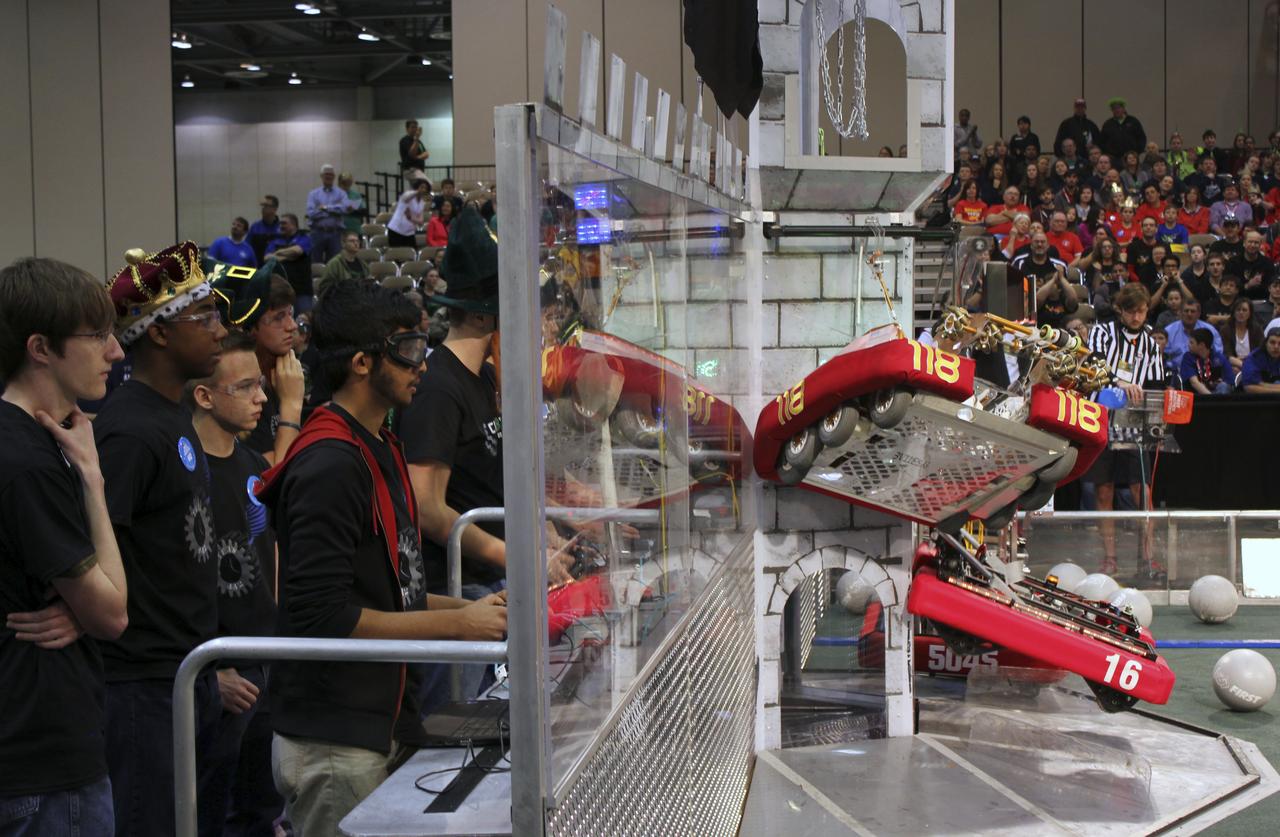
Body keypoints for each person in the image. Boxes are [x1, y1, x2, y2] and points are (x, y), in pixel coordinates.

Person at [258, 280, 507, 837]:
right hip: (335, 739)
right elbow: (322, 616)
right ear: (363, 362)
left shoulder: (379, 443)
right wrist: (456, 623)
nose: (423, 363)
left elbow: (391, 587)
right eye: (409, 349)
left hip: (377, 724)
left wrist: (475, 608)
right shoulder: (329, 463)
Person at [398, 208, 574, 705]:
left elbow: (498, 480)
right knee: (458, 725)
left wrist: (543, 537)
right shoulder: (437, 387)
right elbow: (427, 507)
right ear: (480, 313)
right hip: (461, 590)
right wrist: (514, 556)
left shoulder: (483, 380)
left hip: (493, 580)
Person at [93, 242, 229, 836]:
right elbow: (99, 547)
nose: (221, 330)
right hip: (140, 683)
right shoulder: (126, 430)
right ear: (161, 334)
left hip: (186, 673)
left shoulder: (172, 416)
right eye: (205, 319)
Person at [0, 257, 128, 836]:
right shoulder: (27, 459)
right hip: (43, 759)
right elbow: (112, 613)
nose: (115, 352)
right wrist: (94, 479)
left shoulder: (34, 443)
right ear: (40, 348)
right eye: (97, 336)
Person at [185, 330, 283, 837]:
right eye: (245, 387)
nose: (262, 398)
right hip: (215, 672)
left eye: (261, 386)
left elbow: (270, 555)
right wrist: (205, 676)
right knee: (211, 810)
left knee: (259, 809)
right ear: (204, 396)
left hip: (262, 659)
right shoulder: (183, 468)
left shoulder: (251, 466)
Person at [1085, 283, 1164, 579]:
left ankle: (1147, 558)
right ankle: (1110, 558)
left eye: (1142, 311)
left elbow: (1155, 383)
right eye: (1131, 311)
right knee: (1103, 489)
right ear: (1120, 310)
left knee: (1141, 491)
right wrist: (1120, 383)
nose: (1137, 316)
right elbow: (1093, 367)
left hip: (1134, 423)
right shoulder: (1102, 332)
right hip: (1103, 417)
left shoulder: (1150, 343)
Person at [209, 265, 305, 467]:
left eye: (290, 313)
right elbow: (274, 479)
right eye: (279, 317)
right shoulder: (242, 391)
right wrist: (291, 406)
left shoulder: (283, 373)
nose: (292, 325)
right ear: (249, 327)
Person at [1011, 232, 1075, 327]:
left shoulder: (1059, 265)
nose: (1039, 244)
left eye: (1042, 242)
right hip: (1028, 312)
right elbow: (1033, 302)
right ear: (1031, 245)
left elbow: (1072, 299)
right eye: (1036, 242)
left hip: (1058, 315)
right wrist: (1053, 280)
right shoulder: (1020, 262)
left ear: (1048, 245)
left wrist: (1060, 278)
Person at [264, 213, 314, 312]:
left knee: (304, 320)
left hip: (302, 291)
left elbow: (297, 251)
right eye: (280, 223)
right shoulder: (276, 240)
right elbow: (267, 258)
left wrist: (277, 253)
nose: (281, 226)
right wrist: (290, 256)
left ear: (294, 225)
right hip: (281, 291)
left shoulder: (304, 238)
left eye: (284, 223)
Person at [306, 164, 353, 265]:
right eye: (326, 174)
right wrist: (335, 210)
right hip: (317, 233)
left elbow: (346, 209)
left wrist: (325, 208)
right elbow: (311, 213)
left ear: (334, 177)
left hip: (335, 234)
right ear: (321, 176)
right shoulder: (313, 194)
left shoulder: (341, 193)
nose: (329, 176)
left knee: (335, 265)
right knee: (315, 264)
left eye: (331, 174)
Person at [1164, 298, 1222, 367]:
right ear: (1180, 313)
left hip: (1204, 370)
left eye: (1193, 311)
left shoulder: (1210, 330)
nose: (1189, 314)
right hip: (1176, 372)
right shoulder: (1169, 331)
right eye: (1186, 311)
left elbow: (1218, 354)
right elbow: (1164, 356)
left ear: (1199, 314)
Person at [1180, 327, 1233, 394]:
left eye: (1191, 342)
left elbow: (1229, 382)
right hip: (1198, 397)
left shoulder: (1219, 358)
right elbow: (1194, 383)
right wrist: (1210, 399)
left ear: (1201, 345)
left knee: (1223, 386)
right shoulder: (1188, 358)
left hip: (1219, 395)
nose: (1188, 345)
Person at [318, 229, 370, 294]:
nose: (356, 243)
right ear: (343, 244)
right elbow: (325, 287)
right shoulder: (334, 263)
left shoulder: (363, 264)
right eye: (352, 241)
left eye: (357, 241)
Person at [1219, 297, 1262, 373]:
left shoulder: (1256, 329)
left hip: (1254, 365)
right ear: (1234, 312)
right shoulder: (1225, 330)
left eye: (1244, 310)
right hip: (1233, 366)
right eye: (1238, 310)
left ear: (1250, 313)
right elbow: (1226, 354)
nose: (1241, 312)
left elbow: (1261, 350)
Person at [1229, 229, 1275, 300]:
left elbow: (1270, 287)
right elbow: (1230, 287)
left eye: (1256, 243)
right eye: (1250, 242)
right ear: (1244, 243)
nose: (1253, 245)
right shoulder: (1233, 262)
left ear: (1260, 245)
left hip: (1262, 301)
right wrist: (1247, 285)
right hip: (1238, 301)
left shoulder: (1267, 263)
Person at [387, 177, 430, 248]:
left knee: (412, 254)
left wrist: (411, 217)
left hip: (409, 233)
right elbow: (405, 198)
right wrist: (417, 192)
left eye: (425, 188)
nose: (423, 190)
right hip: (396, 230)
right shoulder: (408, 195)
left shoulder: (422, 203)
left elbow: (421, 221)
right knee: (398, 255)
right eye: (422, 187)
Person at [1239, 327, 1280, 392]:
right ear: (1266, 343)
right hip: (1257, 399)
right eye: (1272, 342)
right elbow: (1249, 387)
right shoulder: (1253, 358)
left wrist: (1263, 384)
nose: (1276, 347)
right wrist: (1277, 391)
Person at [247, 196, 281, 266]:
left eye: (266, 206)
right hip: (258, 267)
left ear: (275, 209)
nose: (263, 208)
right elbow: (247, 247)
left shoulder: (282, 228)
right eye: (262, 206)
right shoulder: (255, 227)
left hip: (278, 267)